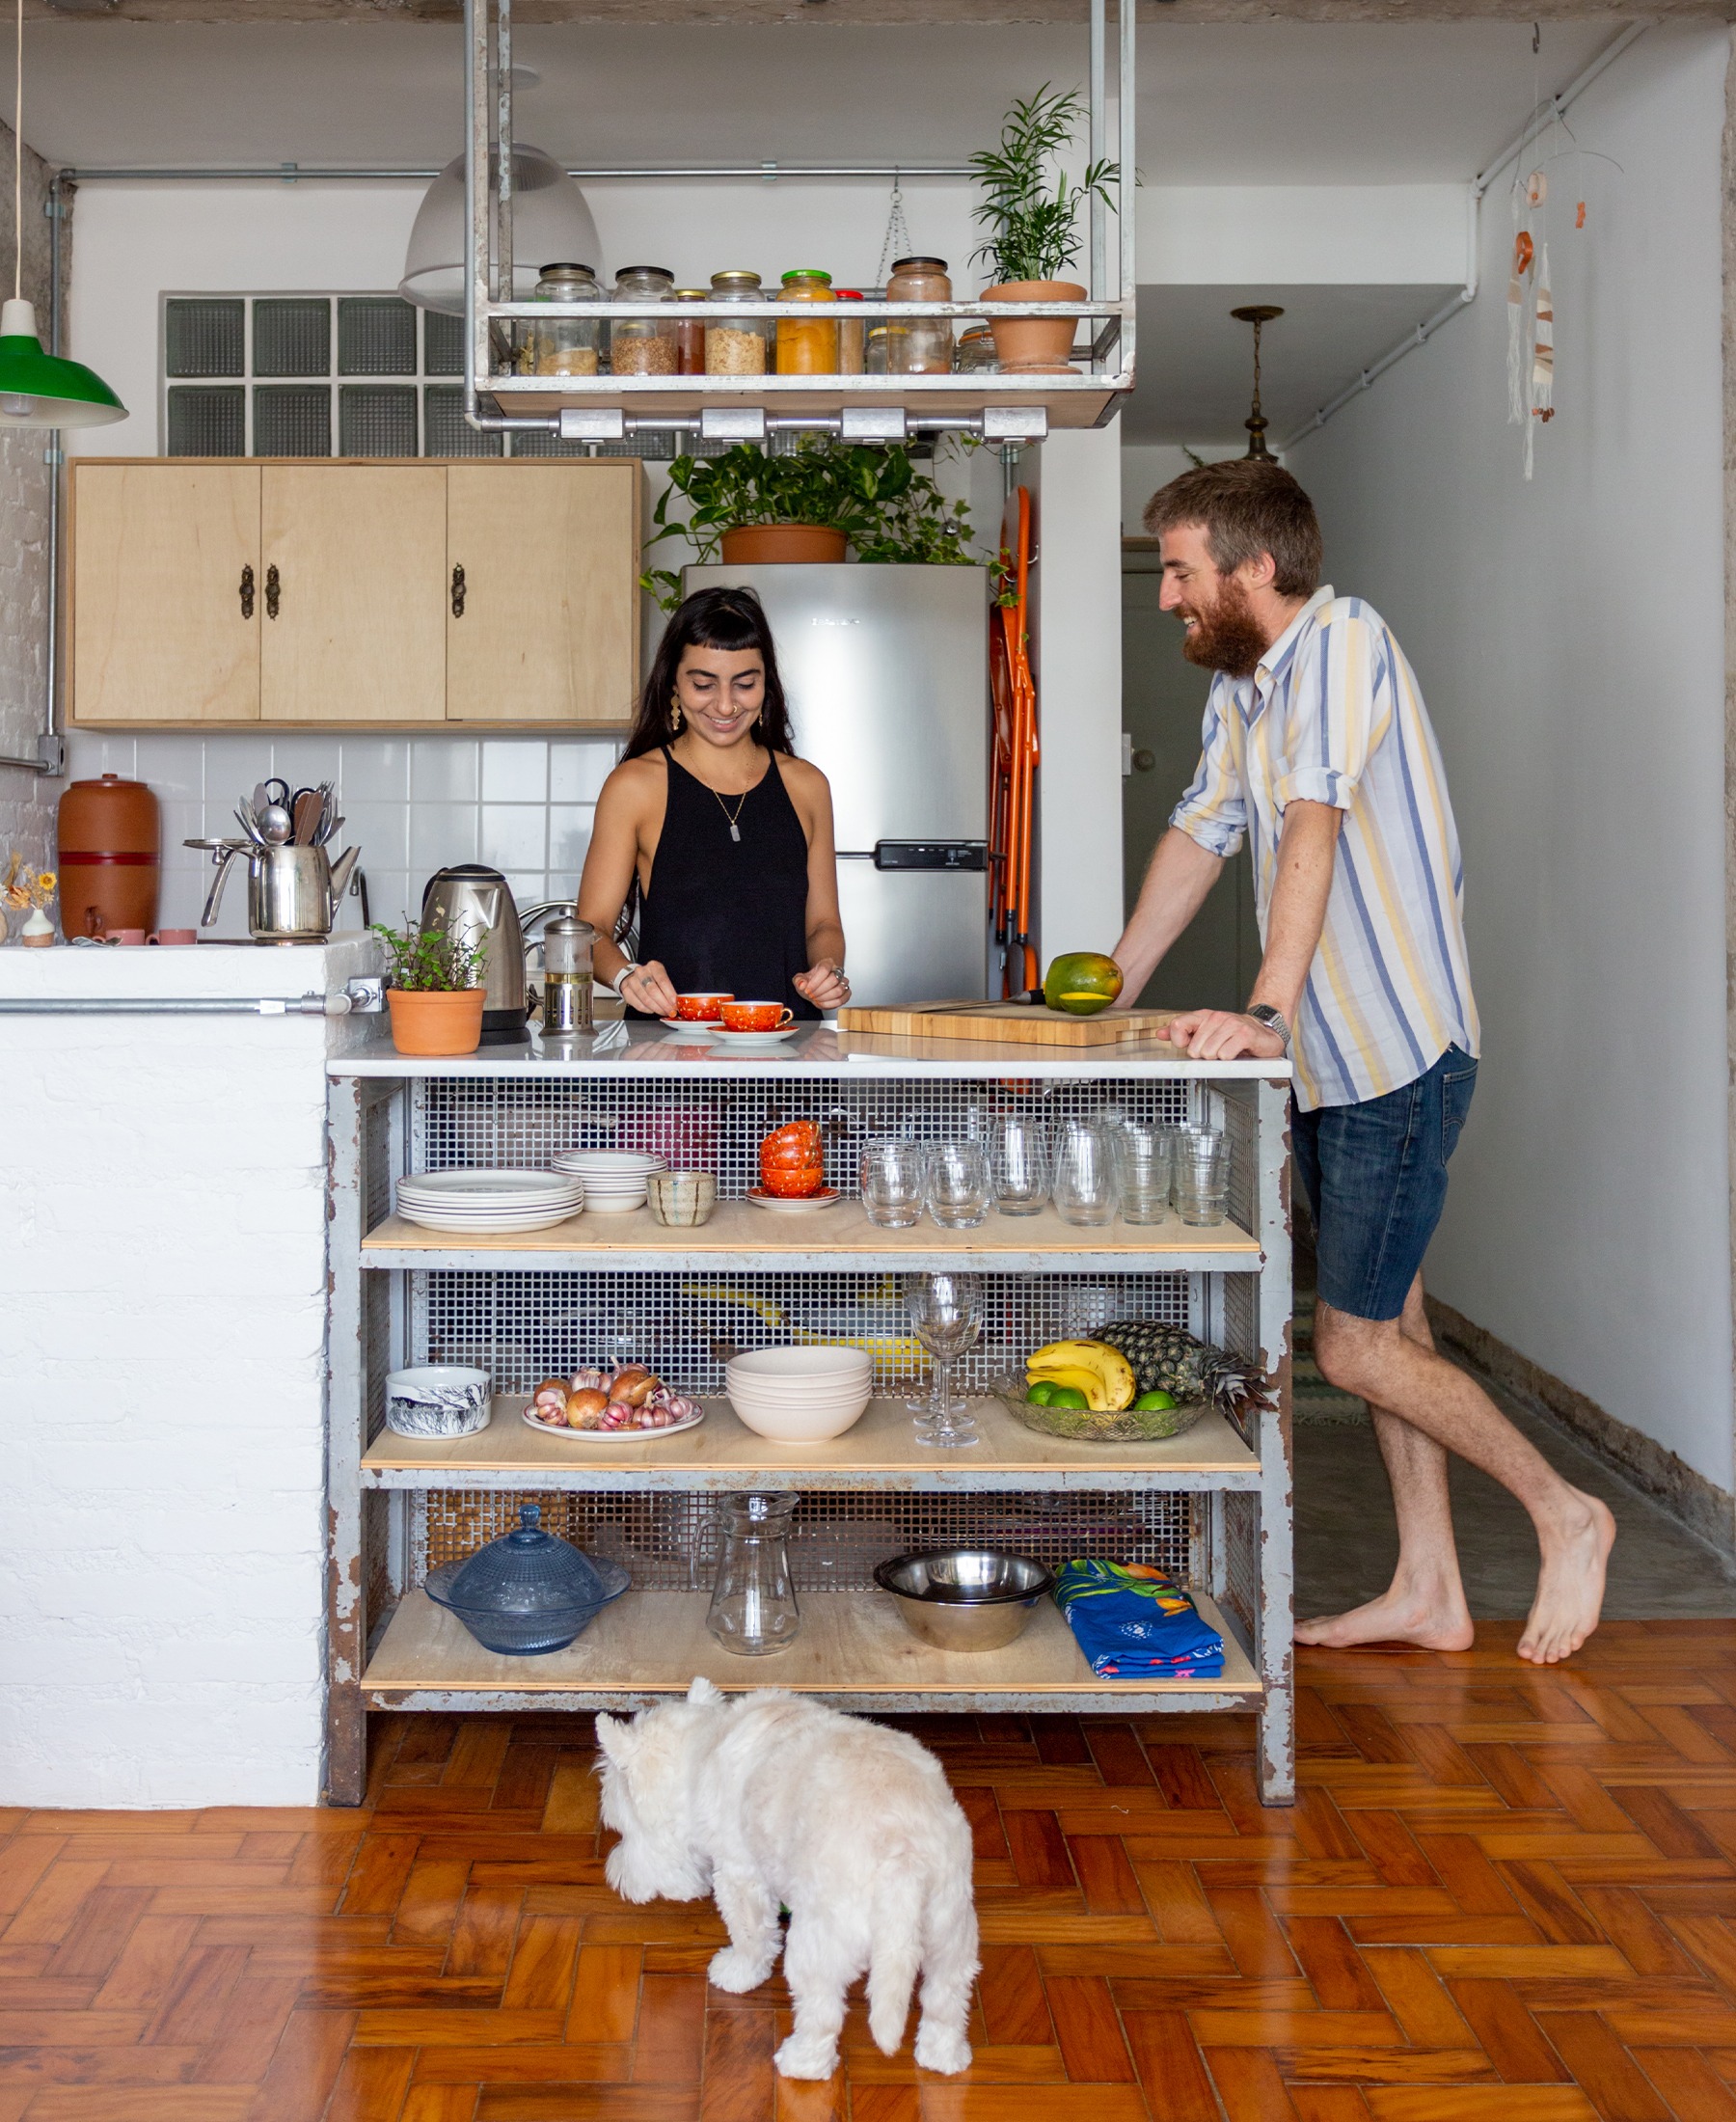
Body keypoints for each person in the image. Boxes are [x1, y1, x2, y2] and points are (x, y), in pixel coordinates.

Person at [1110, 460, 1613, 1666]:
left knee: (1352, 1345)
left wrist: (1266, 1012)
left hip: (1395, 1055)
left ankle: (1567, 1510)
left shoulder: (1341, 643)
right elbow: (1201, 831)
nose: (1168, 594)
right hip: (1333, 1068)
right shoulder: (1243, 685)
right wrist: (1104, 990)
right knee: (1400, 1320)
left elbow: (1315, 823)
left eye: (1181, 570)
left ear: (1255, 569)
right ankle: (1431, 1586)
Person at [579, 586, 850, 1021]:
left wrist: (828, 971)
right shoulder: (635, 786)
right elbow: (589, 931)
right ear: (674, 682)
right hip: (670, 1062)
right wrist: (626, 975)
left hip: (789, 1054)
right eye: (704, 684)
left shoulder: (807, 785)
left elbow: (823, 925)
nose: (725, 704)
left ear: (767, 683)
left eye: (745, 684)